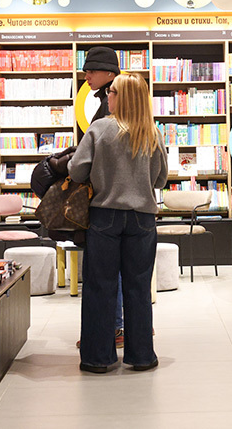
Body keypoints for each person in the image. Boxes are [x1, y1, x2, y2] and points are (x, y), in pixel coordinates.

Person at [69, 73, 167, 373]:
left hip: (105, 215)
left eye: (111, 92)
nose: (107, 97)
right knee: (138, 288)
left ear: (120, 98)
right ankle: (142, 356)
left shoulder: (100, 129)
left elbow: (76, 171)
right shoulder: (152, 132)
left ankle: (98, 358)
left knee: (100, 287)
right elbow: (160, 179)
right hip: (143, 218)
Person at [79, 46, 126, 348]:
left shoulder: (110, 107)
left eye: (91, 71)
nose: (86, 76)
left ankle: (114, 329)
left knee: (105, 271)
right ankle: (122, 328)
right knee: (121, 272)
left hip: (106, 200)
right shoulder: (111, 103)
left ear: (109, 74)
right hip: (127, 203)